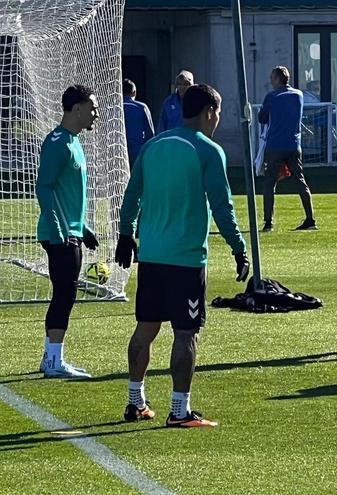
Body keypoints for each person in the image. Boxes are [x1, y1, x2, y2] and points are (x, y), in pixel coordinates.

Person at [115, 84, 250, 427]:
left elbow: (131, 196)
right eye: (217, 113)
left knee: (145, 329)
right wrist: (239, 248)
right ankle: (179, 410)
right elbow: (222, 206)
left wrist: (125, 235)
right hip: (186, 260)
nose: (217, 120)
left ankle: (135, 402)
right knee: (186, 333)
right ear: (209, 112)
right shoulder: (209, 151)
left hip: (152, 256)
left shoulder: (153, 146)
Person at [36, 84, 100, 379]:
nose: (96, 114)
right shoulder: (58, 142)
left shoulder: (74, 141)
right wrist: (60, 228)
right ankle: (54, 362)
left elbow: (66, 192)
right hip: (59, 234)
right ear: (77, 108)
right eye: (92, 107)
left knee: (64, 293)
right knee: (65, 294)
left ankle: (50, 357)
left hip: (71, 230)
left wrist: (83, 228)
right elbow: (44, 187)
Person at [258, 66, 314, 232]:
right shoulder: (299, 95)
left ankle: (268, 222)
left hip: (275, 145)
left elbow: (262, 118)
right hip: (294, 145)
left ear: (276, 79)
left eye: (271, 77)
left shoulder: (271, 97)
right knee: (300, 181)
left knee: (269, 183)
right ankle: (310, 219)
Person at [122, 78, 154, 166]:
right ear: (134, 92)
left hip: (118, 153)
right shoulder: (141, 107)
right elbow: (150, 134)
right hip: (137, 153)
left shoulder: (114, 108)